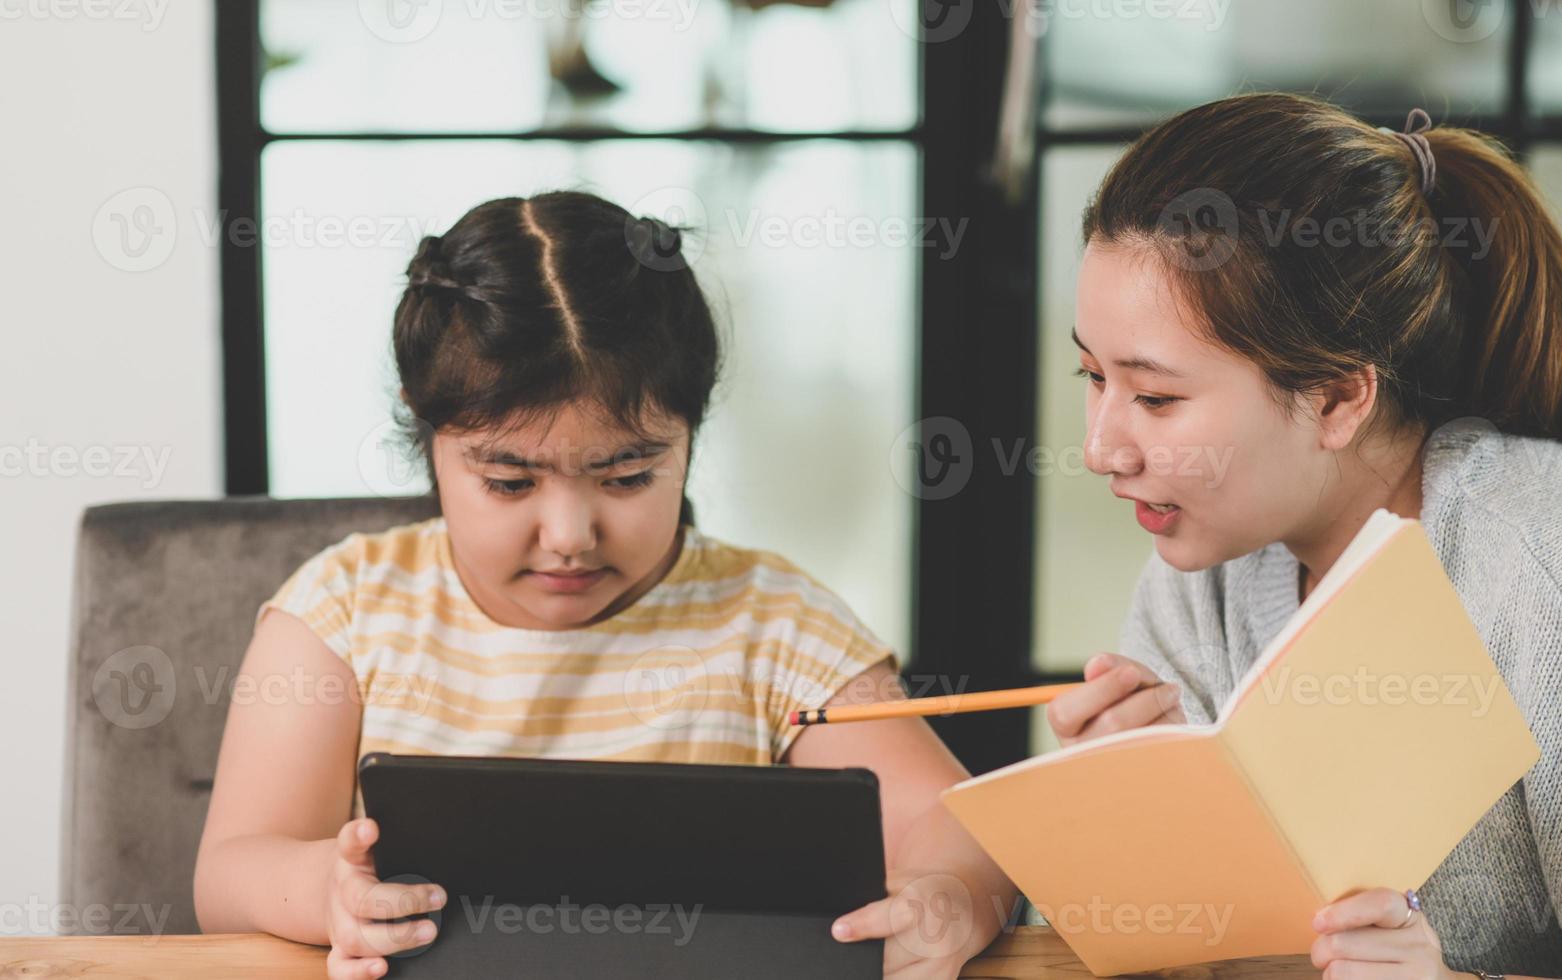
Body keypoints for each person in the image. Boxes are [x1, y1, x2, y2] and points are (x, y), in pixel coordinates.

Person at [192, 191, 1012, 980]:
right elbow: (232, 872)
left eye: (626, 477)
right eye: (510, 484)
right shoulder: (343, 611)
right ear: (426, 428)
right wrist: (326, 895)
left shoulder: (772, 621)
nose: (570, 537)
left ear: (689, 433)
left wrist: (951, 896)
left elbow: (959, 825)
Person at [1045, 93, 1562, 980]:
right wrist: (1137, 837)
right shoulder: (1204, 571)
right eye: (1090, 374)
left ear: (1338, 398)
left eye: (1154, 398)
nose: (1100, 447)